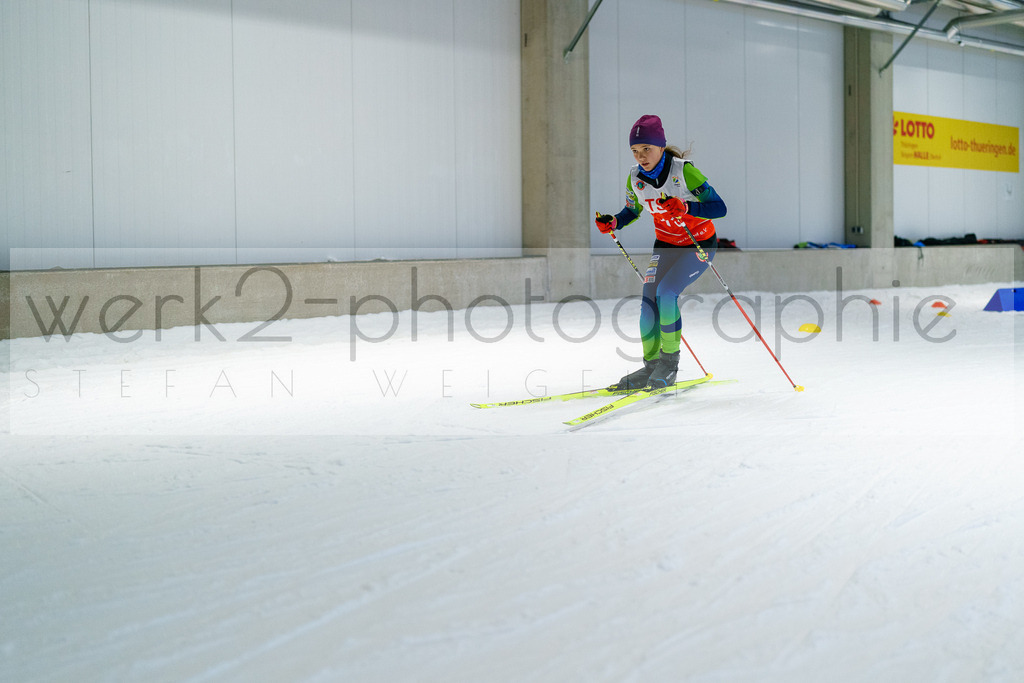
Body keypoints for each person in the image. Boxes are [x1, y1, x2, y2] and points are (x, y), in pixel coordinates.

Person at [596, 114, 727, 390]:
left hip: (698, 244)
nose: (641, 156)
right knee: (648, 300)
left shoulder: (684, 172)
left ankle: (669, 364)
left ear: (660, 146)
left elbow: (719, 208)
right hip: (666, 244)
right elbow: (632, 210)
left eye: (646, 149)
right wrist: (614, 222)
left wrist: (687, 207)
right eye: (635, 150)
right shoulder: (635, 178)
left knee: (666, 294)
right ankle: (651, 365)